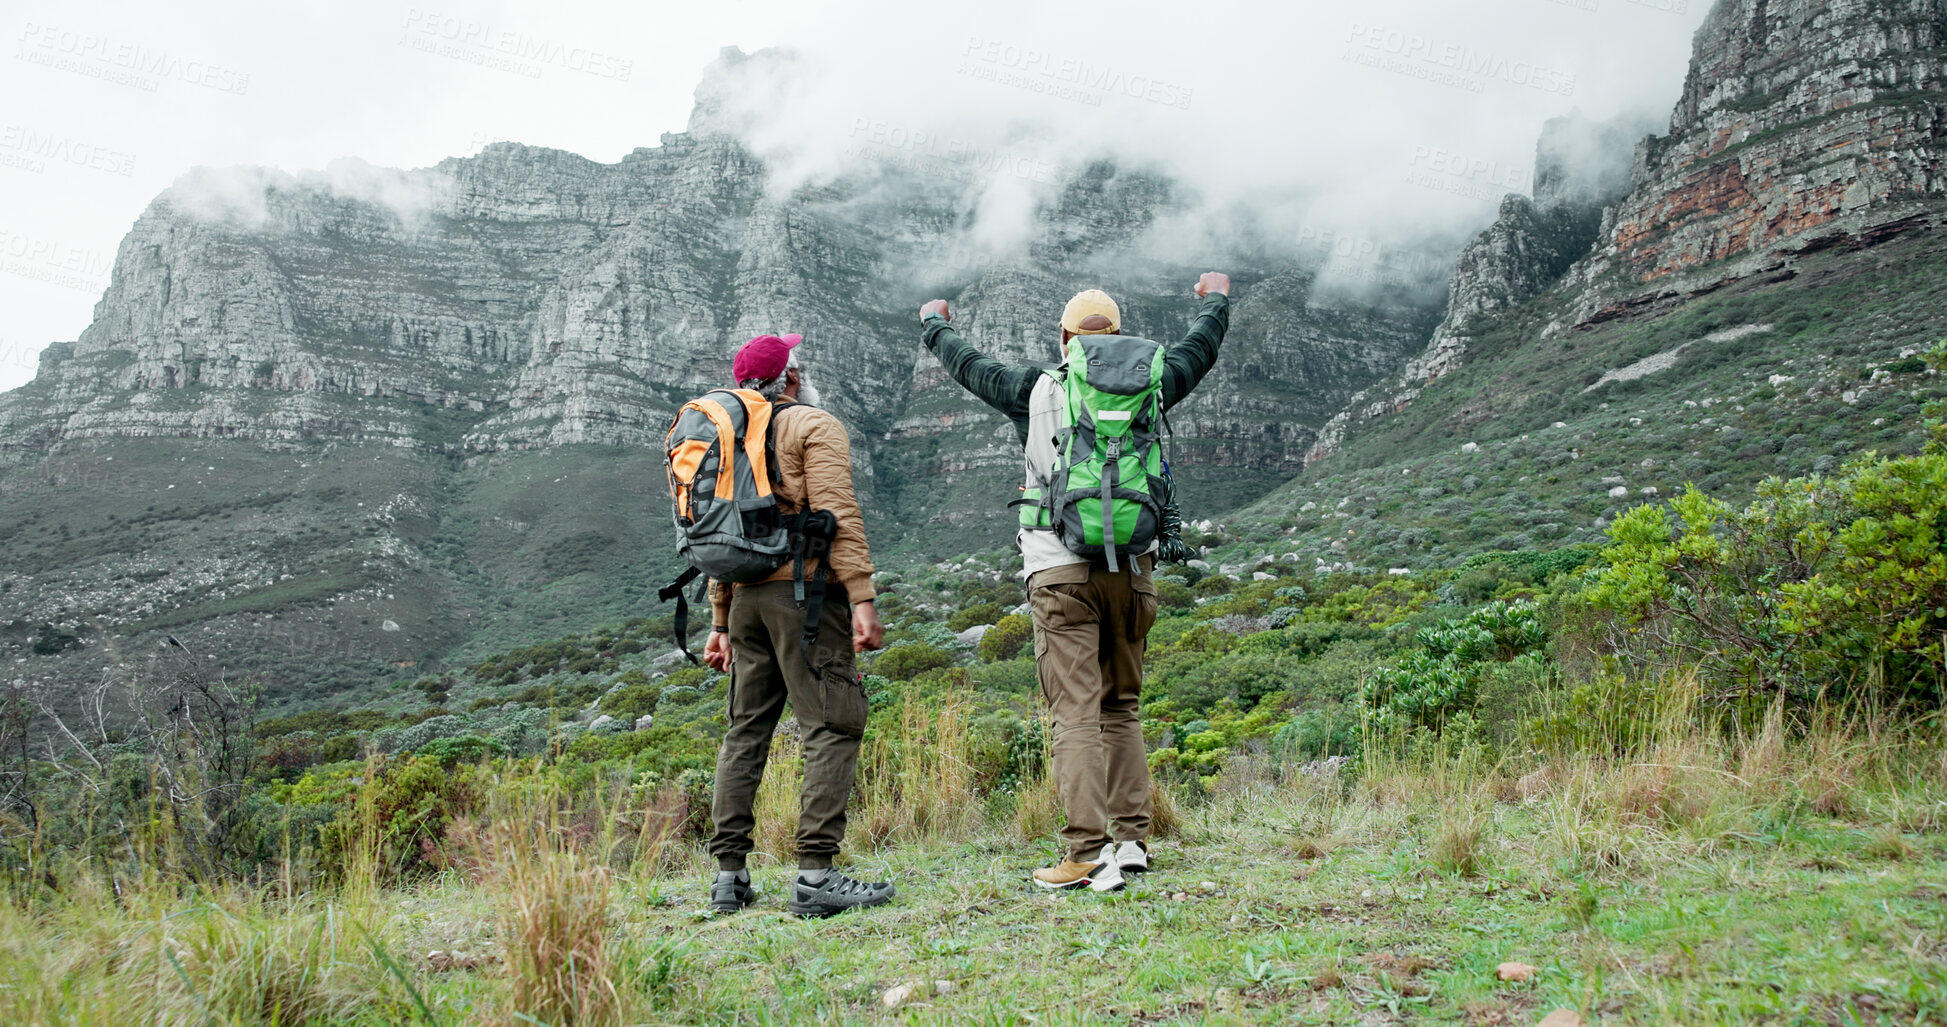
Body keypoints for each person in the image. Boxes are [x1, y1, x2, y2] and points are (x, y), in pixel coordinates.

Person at [917, 274, 1231, 891]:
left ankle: (1085, 855)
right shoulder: (1156, 382)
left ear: (1064, 339)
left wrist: (935, 323)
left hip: (1059, 571)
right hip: (1132, 570)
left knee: (1076, 714)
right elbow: (1202, 347)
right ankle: (1132, 841)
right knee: (1123, 706)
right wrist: (1216, 300)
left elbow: (968, 365)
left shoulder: (1033, 390)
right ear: (1118, 336)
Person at [700, 332, 891, 917]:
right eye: (795, 365)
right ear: (788, 378)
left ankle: (728, 879)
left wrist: (721, 618)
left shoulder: (729, 436)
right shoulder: (813, 425)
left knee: (745, 733)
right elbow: (838, 513)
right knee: (832, 725)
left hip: (747, 600)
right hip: (803, 598)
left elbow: (721, 529)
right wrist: (861, 597)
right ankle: (816, 875)